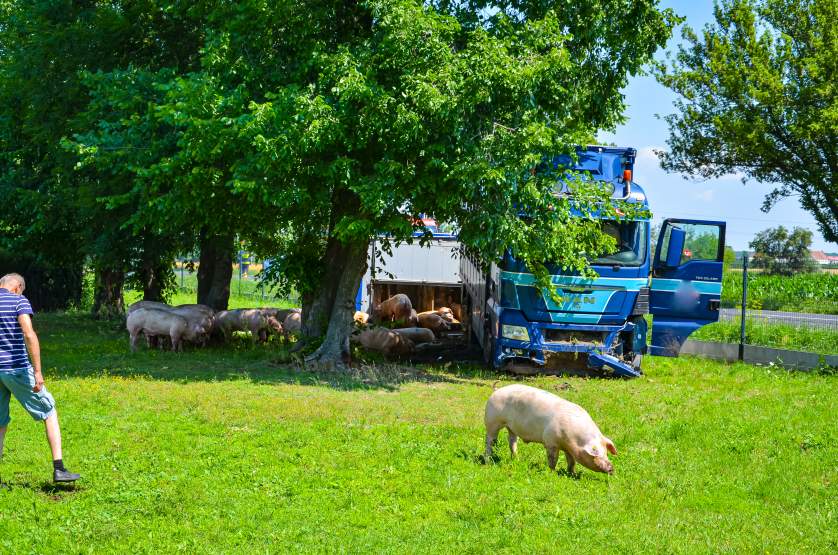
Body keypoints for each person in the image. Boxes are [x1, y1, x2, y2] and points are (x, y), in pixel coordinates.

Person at [0, 273, 79, 483]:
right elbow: (28, 334)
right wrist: (37, 371)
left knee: (0, 422)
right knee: (49, 409)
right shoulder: (18, 301)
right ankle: (59, 468)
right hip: (15, 368)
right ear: (17, 287)